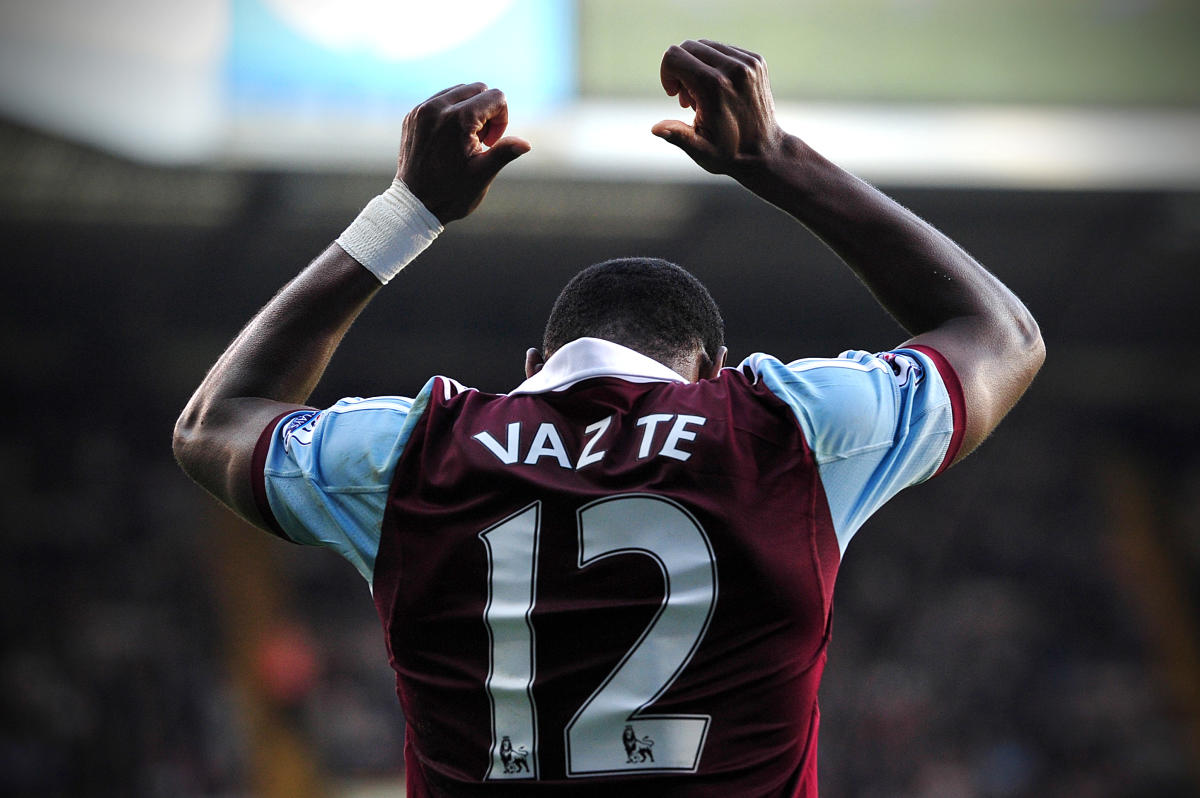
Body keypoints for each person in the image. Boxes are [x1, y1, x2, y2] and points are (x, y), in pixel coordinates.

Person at [174, 39, 1043, 797]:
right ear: (712, 371)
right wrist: (776, 160)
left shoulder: (413, 453)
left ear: (532, 371)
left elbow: (217, 423)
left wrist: (407, 213)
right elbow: (1000, 336)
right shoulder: (790, 430)